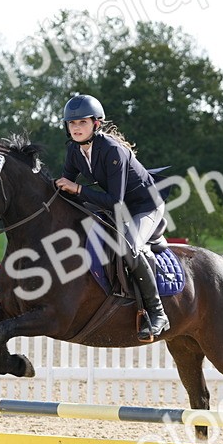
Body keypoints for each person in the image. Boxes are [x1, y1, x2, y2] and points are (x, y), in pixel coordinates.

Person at [54, 93, 169, 340]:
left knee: (129, 246)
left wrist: (79, 190)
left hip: (145, 206)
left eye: (82, 122)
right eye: (72, 123)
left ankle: (157, 313)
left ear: (97, 124)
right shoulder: (75, 151)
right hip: (118, 207)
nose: (76, 128)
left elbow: (114, 201)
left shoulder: (112, 150)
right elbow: (67, 191)